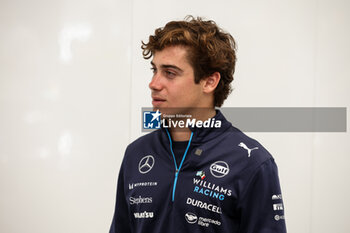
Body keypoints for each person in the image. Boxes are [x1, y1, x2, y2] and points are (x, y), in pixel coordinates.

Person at [109, 16, 287, 233]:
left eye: (170, 73)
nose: (154, 83)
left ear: (209, 81)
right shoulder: (136, 153)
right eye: (154, 70)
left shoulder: (252, 162)